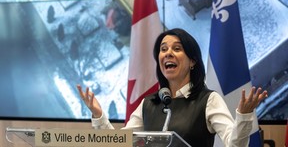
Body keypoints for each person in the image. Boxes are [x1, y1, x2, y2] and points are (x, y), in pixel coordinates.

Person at [77, 28, 268, 147]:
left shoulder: (207, 100)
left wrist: (244, 116)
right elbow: (119, 144)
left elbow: (234, 145)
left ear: (192, 60)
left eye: (176, 49)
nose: (168, 53)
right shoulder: (149, 103)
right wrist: (98, 115)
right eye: (163, 49)